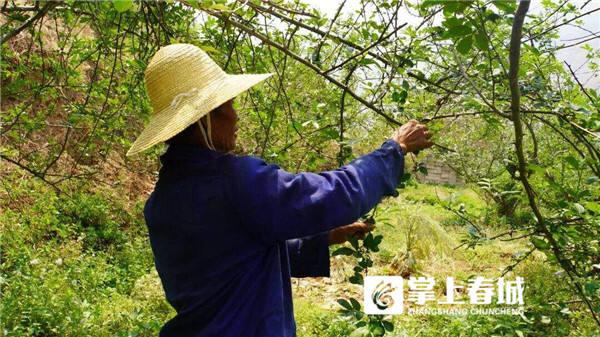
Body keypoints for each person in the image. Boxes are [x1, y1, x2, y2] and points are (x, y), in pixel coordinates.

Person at [127, 43, 433, 337]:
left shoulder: (162, 199)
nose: (235, 117)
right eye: (229, 106)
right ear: (207, 118)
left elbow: (237, 261)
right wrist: (395, 149)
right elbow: (336, 194)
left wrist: (326, 237)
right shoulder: (235, 180)